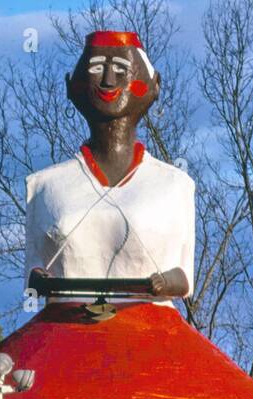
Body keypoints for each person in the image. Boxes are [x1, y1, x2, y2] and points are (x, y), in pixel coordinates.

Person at [25, 30, 195, 302]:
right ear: (72, 85)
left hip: (151, 334)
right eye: (96, 68)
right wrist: (40, 280)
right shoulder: (44, 185)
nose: (108, 81)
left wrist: (165, 282)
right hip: (65, 331)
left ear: (154, 85)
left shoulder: (175, 184)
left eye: (121, 69)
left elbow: (184, 277)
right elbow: (33, 273)